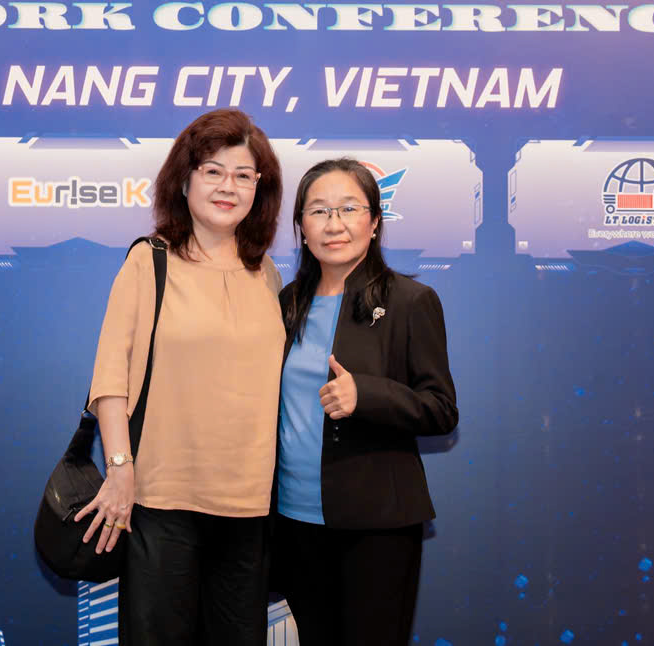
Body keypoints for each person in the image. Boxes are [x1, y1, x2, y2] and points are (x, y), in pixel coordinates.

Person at [76, 109, 285, 645]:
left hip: (249, 505)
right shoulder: (150, 261)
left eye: (243, 175)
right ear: (185, 180)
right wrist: (119, 468)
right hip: (161, 501)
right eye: (213, 171)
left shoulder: (266, 273)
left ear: (259, 189)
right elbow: (110, 378)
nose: (228, 187)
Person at [272, 157, 459, 646]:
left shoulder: (410, 301)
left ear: (375, 222)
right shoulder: (286, 303)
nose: (334, 224)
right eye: (318, 211)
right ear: (301, 228)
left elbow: (441, 409)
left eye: (349, 208)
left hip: (376, 523)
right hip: (293, 520)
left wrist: (368, 395)